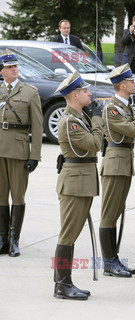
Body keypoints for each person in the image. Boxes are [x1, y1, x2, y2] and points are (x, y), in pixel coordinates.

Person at [52, 71, 104, 300]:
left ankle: (65, 282)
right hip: (74, 184)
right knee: (68, 235)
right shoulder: (70, 122)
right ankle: (62, 284)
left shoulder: (79, 117)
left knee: (71, 234)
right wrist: (99, 121)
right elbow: (94, 144)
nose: (89, 93)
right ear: (74, 95)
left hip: (81, 181)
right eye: (85, 90)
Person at [99, 64, 135, 278]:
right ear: (122, 85)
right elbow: (133, 130)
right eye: (131, 81)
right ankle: (109, 263)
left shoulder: (124, 106)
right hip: (115, 163)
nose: (134, 83)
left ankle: (114, 259)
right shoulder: (112, 108)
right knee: (109, 215)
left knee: (116, 212)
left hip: (124, 162)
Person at [0, 49, 43, 257]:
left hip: (18, 150)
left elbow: (37, 126)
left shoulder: (30, 92)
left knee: (18, 196)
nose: (14, 69)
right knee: (0, 197)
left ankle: (14, 240)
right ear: (2, 71)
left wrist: (34, 155)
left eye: (15, 66)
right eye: (9, 67)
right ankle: (2, 240)